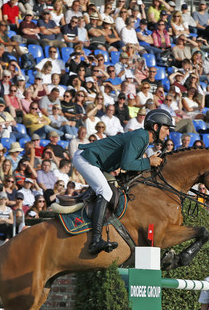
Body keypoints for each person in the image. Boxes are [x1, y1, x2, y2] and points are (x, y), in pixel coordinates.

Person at [72, 108, 169, 254]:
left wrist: (149, 162)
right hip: (87, 158)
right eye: (166, 128)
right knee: (104, 191)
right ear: (156, 127)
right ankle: (96, 240)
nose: (168, 133)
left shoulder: (143, 140)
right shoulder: (141, 136)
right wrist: (148, 161)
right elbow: (126, 164)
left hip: (96, 163)